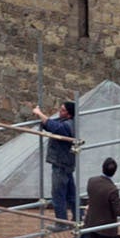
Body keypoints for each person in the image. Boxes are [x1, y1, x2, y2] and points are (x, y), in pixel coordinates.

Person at [41, 98, 79, 228]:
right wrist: (44, 122)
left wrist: (39, 114)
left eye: (62, 110)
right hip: (67, 164)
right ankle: (77, 219)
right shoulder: (71, 123)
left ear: (68, 114)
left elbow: (55, 127)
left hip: (60, 165)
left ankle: (62, 223)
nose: (59, 112)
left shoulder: (67, 125)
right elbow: (51, 125)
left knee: (58, 195)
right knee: (71, 195)